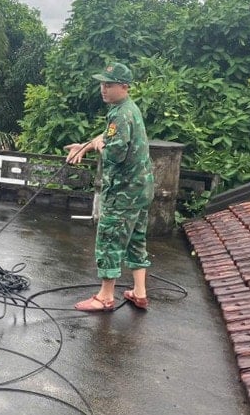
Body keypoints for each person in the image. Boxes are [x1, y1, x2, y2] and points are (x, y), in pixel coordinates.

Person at [63, 62, 155, 312]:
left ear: (124, 87)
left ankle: (105, 296)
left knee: (109, 239)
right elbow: (109, 139)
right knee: (136, 238)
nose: (103, 89)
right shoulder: (128, 109)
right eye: (102, 83)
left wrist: (98, 145)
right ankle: (139, 292)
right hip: (141, 189)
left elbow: (114, 153)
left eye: (109, 84)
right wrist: (86, 146)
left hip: (123, 190)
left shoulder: (120, 114)